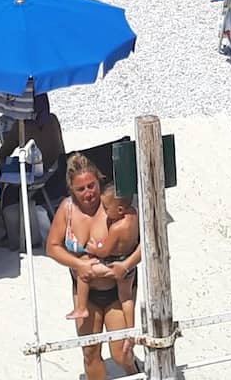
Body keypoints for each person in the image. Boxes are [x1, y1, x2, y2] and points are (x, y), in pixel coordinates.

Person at [46, 155, 138, 380]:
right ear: (71, 190)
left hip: (117, 291)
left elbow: (145, 242)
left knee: (121, 354)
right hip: (85, 295)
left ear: (99, 181)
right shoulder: (67, 210)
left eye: (91, 186)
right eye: (80, 189)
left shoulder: (114, 207)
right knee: (90, 353)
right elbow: (52, 247)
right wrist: (78, 263)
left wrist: (126, 265)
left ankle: (135, 372)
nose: (88, 193)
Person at [66, 182, 141, 363]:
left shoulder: (116, 228)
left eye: (107, 208)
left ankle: (81, 307)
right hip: (127, 266)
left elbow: (105, 251)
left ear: (120, 209)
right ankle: (130, 332)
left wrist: (93, 248)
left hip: (114, 262)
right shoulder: (134, 215)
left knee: (84, 270)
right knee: (127, 300)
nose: (105, 212)